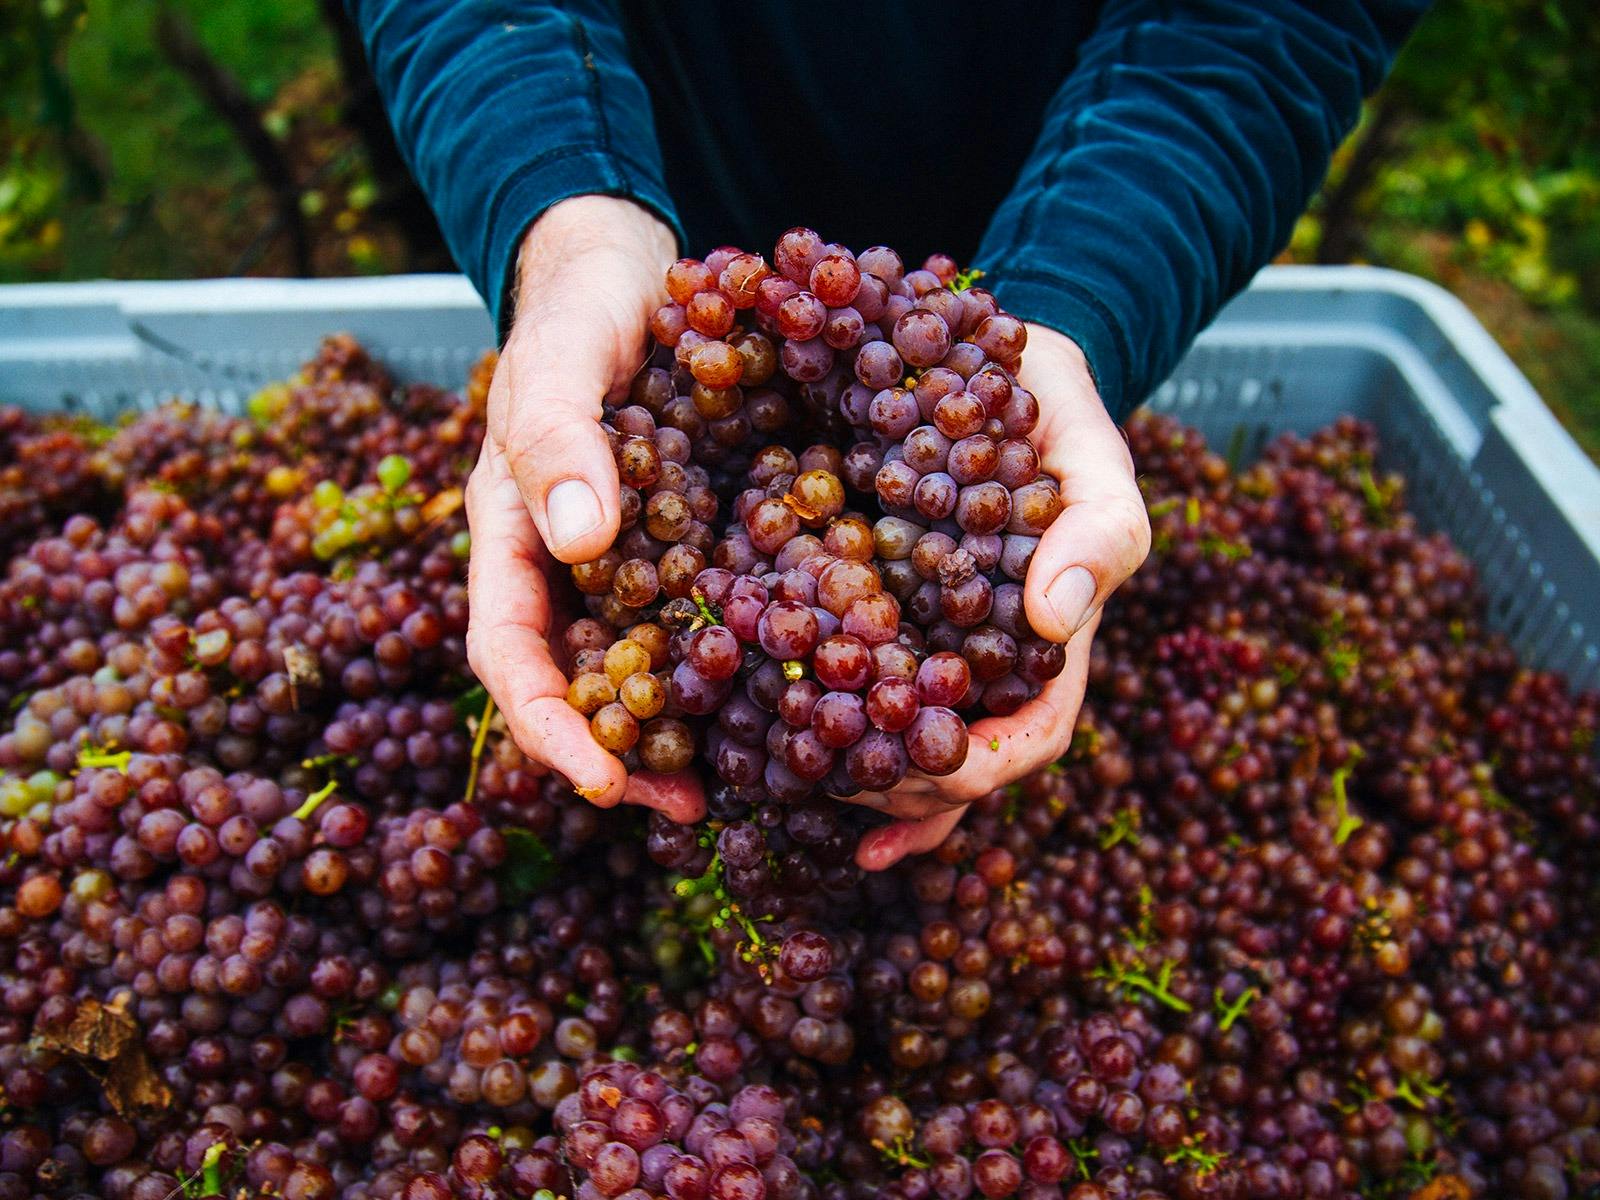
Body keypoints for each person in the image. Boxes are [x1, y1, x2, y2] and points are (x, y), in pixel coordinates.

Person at [348, 0, 1427, 868]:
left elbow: (1265, 25)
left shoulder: (932, 486)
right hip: (652, 175)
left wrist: (1074, 298)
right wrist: (567, 212)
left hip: (1066, 181)